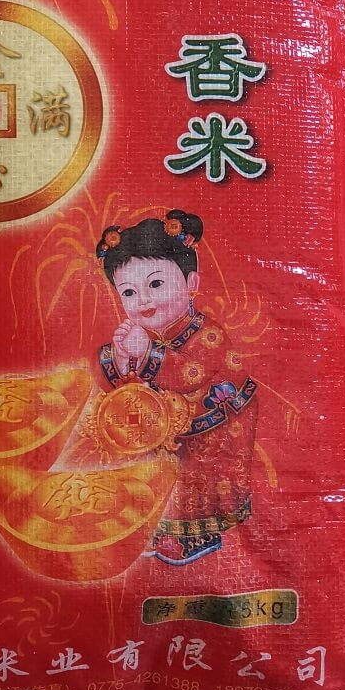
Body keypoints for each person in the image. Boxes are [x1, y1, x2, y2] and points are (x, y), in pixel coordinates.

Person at [95, 210, 257, 564]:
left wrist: (146, 353)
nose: (143, 300)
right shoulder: (145, 334)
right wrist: (122, 360)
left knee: (188, 473)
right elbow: (127, 389)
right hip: (166, 423)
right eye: (129, 292)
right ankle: (154, 525)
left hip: (211, 424)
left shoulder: (207, 332)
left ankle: (195, 534)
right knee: (143, 461)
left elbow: (191, 374)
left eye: (155, 285)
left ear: (191, 282)